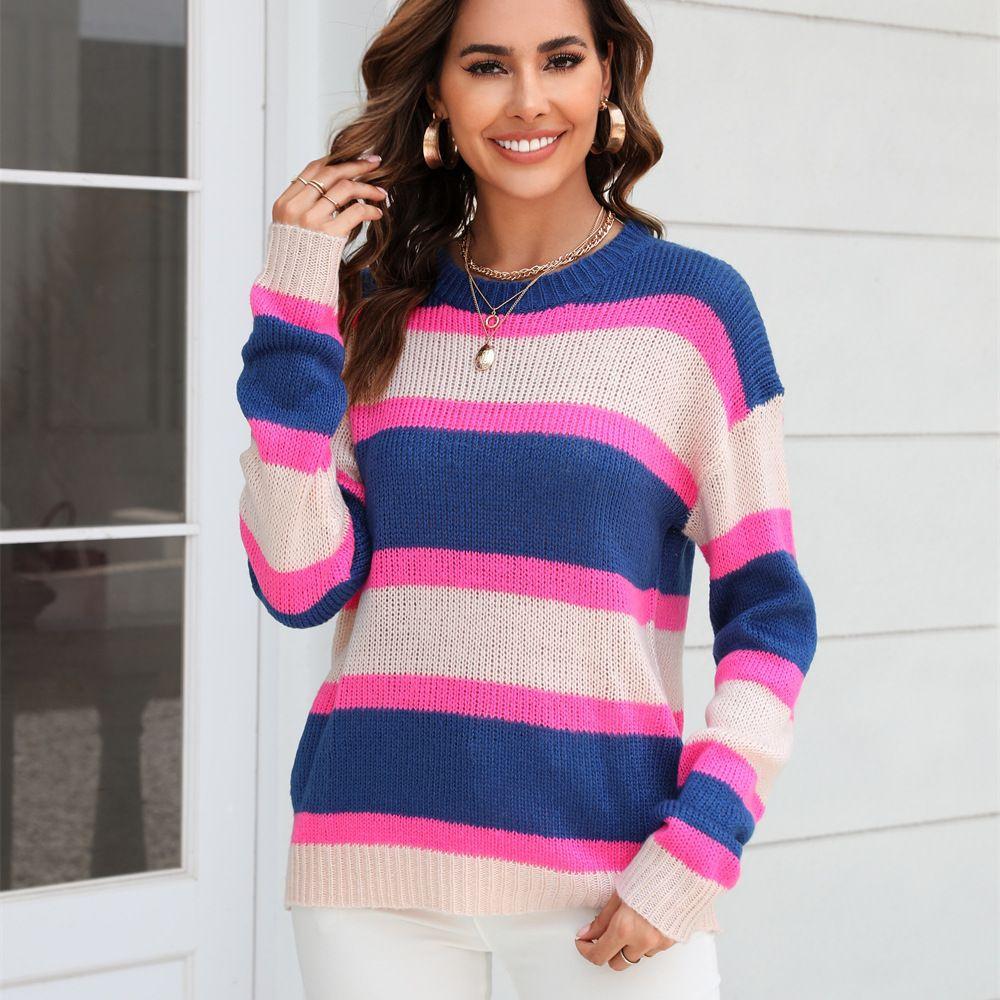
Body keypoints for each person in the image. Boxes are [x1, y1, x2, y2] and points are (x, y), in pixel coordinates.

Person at [235, 0, 818, 994]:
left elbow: (769, 614)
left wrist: (698, 847)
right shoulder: (376, 308)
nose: (528, 99)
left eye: (560, 59)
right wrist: (296, 300)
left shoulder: (693, 313)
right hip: (371, 869)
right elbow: (298, 584)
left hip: (614, 885)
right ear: (437, 94)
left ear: (605, 77)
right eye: (487, 66)